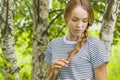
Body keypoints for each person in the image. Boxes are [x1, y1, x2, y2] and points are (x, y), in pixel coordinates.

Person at [44, 0, 109, 80]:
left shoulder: (96, 45)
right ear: (66, 18)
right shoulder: (54, 44)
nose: (79, 25)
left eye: (84, 21)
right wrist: (53, 73)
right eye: (75, 20)